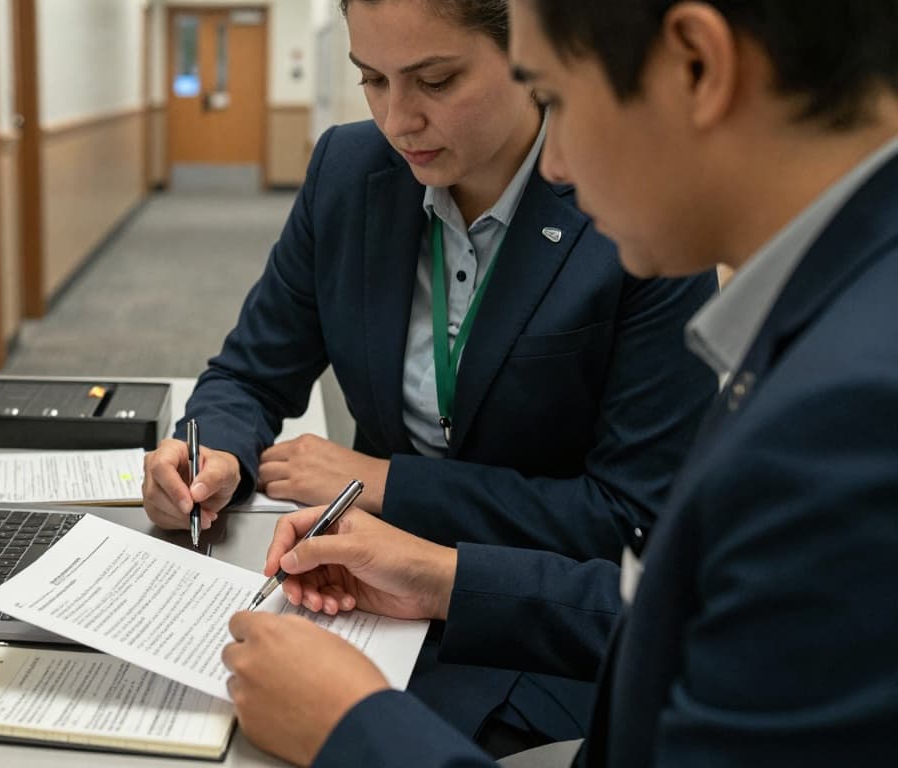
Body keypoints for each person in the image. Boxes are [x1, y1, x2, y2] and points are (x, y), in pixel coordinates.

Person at [220, 0, 898, 765]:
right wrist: (444, 578)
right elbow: (675, 609)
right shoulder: (837, 313)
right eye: (372, 79)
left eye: (560, 99)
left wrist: (354, 729)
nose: (556, 166)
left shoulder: (854, 419)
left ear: (696, 67)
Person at [145, 0, 715, 751]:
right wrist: (208, 448)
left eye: (436, 81)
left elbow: (627, 519)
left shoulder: (634, 207)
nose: (397, 119)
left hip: (545, 635)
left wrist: (388, 483)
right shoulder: (349, 171)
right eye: (372, 80)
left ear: (530, 57)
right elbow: (249, 372)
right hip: (362, 590)